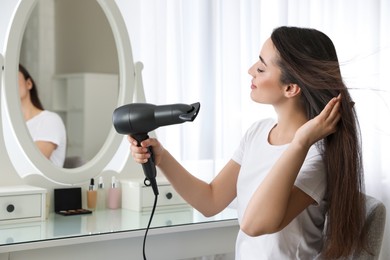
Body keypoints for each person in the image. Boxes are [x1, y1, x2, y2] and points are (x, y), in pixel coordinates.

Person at [129, 26, 366, 259]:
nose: (250, 70)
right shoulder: (258, 133)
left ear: (291, 88)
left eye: (261, 68)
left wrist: (300, 142)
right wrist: (161, 158)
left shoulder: (315, 156)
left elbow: (254, 224)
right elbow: (210, 201)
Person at [18, 64, 67, 167]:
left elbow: (34, 163)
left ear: (29, 83)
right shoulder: (7, 126)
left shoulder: (50, 120)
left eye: (14, 78)